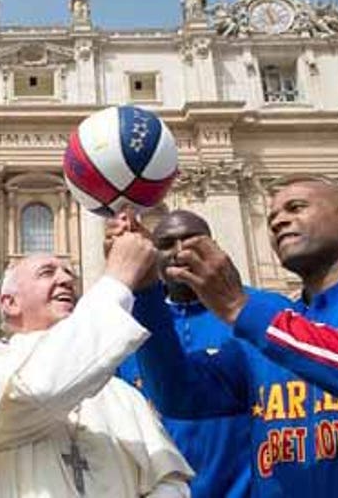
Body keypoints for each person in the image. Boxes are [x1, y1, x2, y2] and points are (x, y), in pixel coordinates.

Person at [132, 175, 338, 496]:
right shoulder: (263, 337)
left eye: (296, 207)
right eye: (271, 219)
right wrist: (146, 293)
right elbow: (176, 394)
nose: (279, 221)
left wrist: (241, 308)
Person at [0, 211, 193, 497]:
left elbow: (169, 481)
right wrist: (118, 280)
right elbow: (40, 388)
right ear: (9, 303)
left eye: (70, 274)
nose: (66, 280)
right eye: (48, 273)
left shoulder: (123, 395)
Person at [117, 210, 251, 498]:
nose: (179, 252)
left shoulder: (253, 314)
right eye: (165, 244)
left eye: (192, 241)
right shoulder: (128, 326)